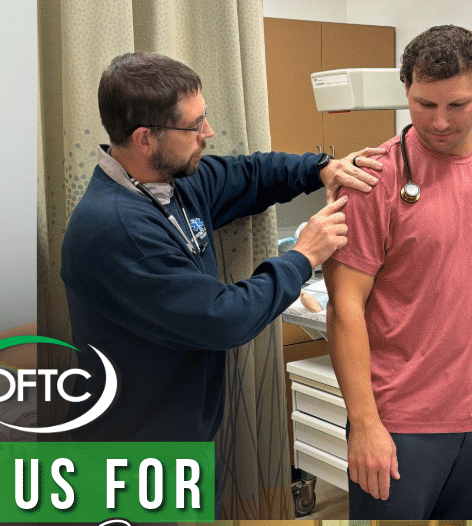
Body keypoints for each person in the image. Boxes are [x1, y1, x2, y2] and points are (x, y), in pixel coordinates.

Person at [59, 51, 387, 445]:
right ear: (145, 139)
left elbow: (252, 174)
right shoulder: (115, 228)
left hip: (181, 438)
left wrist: (320, 167)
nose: (208, 132)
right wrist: (303, 257)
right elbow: (222, 317)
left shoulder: (171, 183)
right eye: (194, 125)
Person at [324, 25, 472, 518]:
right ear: (406, 90)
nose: (439, 122)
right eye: (423, 104)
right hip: (399, 424)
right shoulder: (372, 180)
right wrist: (364, 422)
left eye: (457, 105)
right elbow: (344, 306)